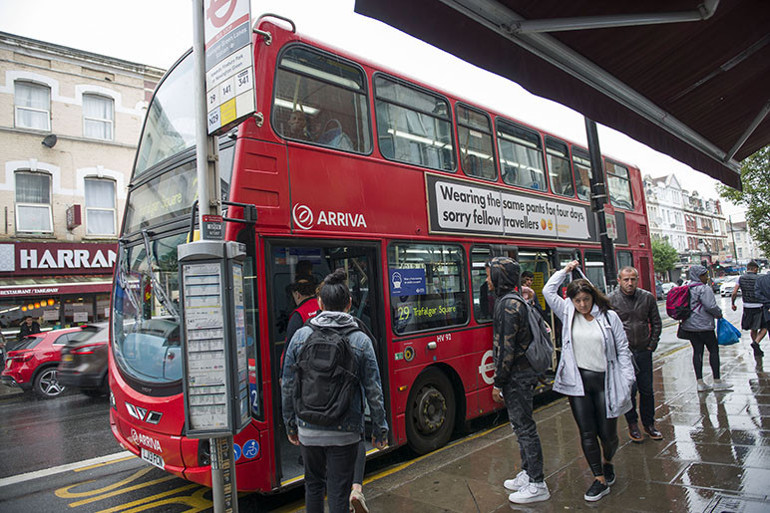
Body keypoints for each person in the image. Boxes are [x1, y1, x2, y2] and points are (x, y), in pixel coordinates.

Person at [281, 269, 388, 513]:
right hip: (346, 431)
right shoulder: (361, 340)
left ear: (320, 303)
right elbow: (374, 390)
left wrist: (290, 425)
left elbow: (288, 385)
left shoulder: (300, 336)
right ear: (349, 304)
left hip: (308, 428)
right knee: (339, 491)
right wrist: (379, 429)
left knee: (313, 486)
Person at [543, 260, 635, 502]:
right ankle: (599, 478)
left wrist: (627, 381)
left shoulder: (609, 317)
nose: (582, 305)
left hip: (606, 382)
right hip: (579, 383)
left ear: (593, 297)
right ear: (571, 301)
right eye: (577, 301)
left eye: (586, 299)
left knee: (608, 434)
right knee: (586, 432)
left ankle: (607, 461)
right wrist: (565, 271)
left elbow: (623, 350)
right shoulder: (567, 313)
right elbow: (547, 291)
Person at [487, 257, 550, 504]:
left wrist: (498, 382)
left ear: (500, 277)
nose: (488, 280)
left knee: (524, 428)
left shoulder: (507, 305)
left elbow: (506, 350)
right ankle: (527, 472)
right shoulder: (513, 300)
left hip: (518, 377)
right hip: (522, 374)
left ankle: (537, 483)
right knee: (520, 426)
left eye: (490, 275)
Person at [609, 266, 663, 443]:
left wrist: (651, 345)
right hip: (624, 354)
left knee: (647, 390)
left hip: (643, 351)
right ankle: (632, 424)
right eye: (626, 280)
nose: (630, 283)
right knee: (629, 391)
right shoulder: (611, 300)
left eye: (633, 279)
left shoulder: (647, 297)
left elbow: (656, 322)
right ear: (619, 281)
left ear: (637, 280)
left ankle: (649, 424)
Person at [680, 265, 732, 392]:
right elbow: (710, 306)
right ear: (699, 276)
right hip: (704, 325)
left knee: (697, 352)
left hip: (690, 326)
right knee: (713, 350)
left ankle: (700, 382)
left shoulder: (686, 288)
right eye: (704, 275)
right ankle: (717, 381)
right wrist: (719, 313)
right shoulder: (704, 289)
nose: (707, 278)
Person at [731, 261, 766, 357]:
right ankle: (756, 342)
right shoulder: (759, 278)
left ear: (747, 268)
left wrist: (733, 303)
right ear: (755, 269)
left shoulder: (740, 278)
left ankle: (756, 347)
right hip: (759, 306)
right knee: (765, 326)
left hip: (747, 306)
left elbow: (734, 293)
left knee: (753, 328)